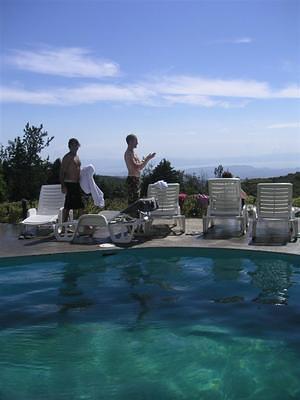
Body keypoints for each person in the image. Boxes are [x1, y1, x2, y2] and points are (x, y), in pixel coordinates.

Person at [124, 134, 156, 205]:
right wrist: (147, 159)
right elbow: (137, 167)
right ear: (130, 141)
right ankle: (132, 216)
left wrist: (147, 158)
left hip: (136, 179)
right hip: (132, 180)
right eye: (136, 141)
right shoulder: (129, 153)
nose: (137, 143)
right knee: (133, 202)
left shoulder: (133, 153)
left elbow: (140, 167)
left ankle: (135, 215)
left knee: (136, 201)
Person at [60, 138, 84, 222]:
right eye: (73, 145)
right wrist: (63, 186)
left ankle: (83, 226)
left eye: (76, 145)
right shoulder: (67, 157)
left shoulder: (76, 157)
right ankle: (63, 227)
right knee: (67, 207)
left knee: (80, 205)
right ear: (69, 146)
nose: (75, 147)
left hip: (76, 184)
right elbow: (62, 172)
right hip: (69, 184)